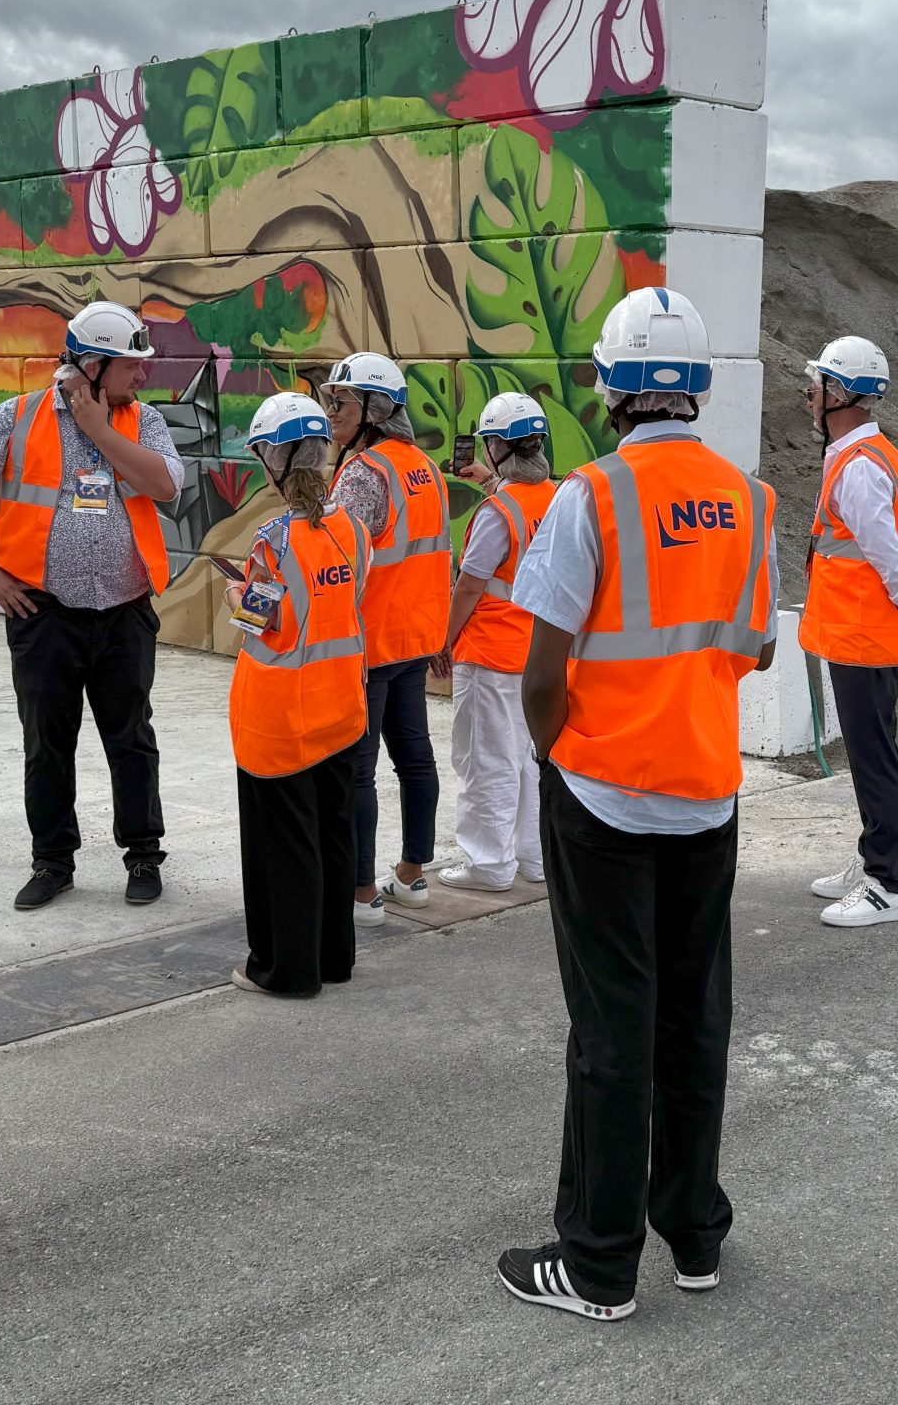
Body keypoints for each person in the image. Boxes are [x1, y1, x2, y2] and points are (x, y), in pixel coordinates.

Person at [495, 287, 777, 1322]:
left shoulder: (592, 496)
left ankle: (599, 1265)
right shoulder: (750, 499)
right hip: (706, 795)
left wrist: (556, 758)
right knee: (694, 1024)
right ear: (697, 387)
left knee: (611, 1035)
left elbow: (541, 671)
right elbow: (758, 649)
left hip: (602, 799)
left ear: (610, 388)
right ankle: (695, 1236)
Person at [0, 302, 184, 911]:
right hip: (43, 615)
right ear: (92, 365)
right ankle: (52, 861)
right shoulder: (16, 418)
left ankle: (143, 854)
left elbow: (166, 486)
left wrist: (100, 431)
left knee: (132, 738)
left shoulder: (143, 420)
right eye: (131, 365)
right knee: (47, 743)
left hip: (124, 609)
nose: (142, 375)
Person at [226, 393, 373, 998]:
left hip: (281, 719)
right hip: (341, 709)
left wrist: (234, 595)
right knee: (334, 837)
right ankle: (334, 958)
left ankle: (285, 971)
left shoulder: (274, 540)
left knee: (284, 848)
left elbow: (261, 621)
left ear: (276, 459)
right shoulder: (352, 530)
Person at [799, 336, 898, 927]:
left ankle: (887, 884)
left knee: (874, 758)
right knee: (871, 752)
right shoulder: (878, 455)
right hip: (867, 632)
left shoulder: (859, 468)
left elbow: (890, 556)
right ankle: (872, 862)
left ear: (839, 394)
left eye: (817, 385)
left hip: (864, 634)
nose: (809, 395)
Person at [321, 351, 450, 924]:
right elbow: (438, 557)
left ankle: (362, 893)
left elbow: (337, 558)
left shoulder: (364, 473)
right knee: (415, 759)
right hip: (414, 640)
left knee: (359, 770)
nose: (332, 413)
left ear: (375, 409)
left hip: (370, 645)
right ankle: (412, 876)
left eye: (341, 402)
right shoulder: (424, 468)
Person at [430, 392, 560, 892]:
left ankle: (489, 865)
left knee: (486, 762)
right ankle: (533, 858)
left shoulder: (497, 512)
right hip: (540, 653)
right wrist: (491, 481)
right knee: (530, 760)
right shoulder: (558, 497)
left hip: (490, 655)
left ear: (497, 447)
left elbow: (469, 586)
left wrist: (443, 640)